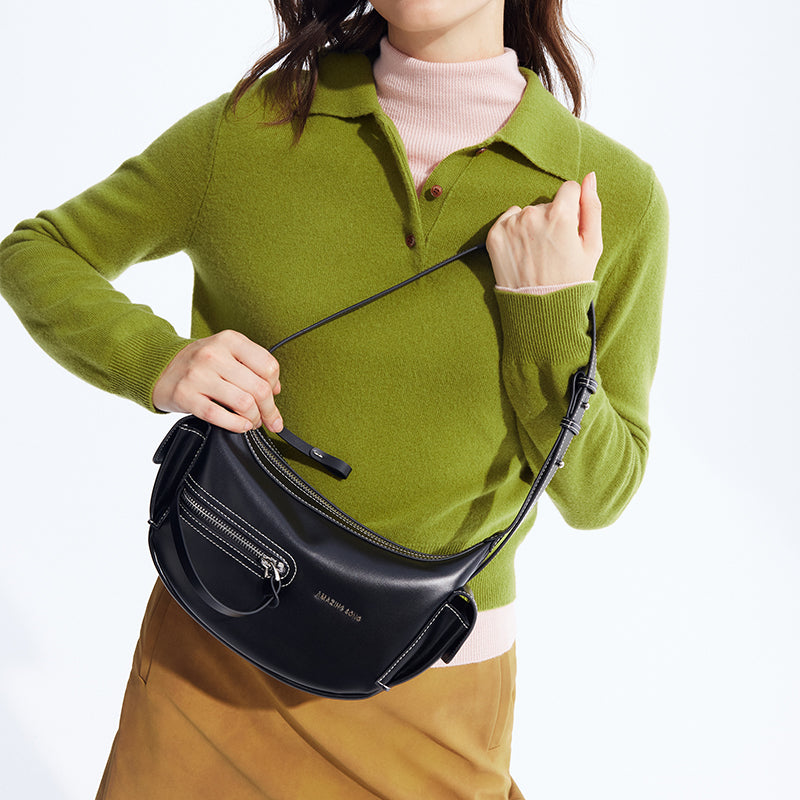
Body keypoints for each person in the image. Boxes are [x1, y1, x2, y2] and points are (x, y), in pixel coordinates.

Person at [0, 0, 668, 797]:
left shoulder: (609, 198)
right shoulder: (254, 132)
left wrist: (551, 313)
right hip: (217, 636)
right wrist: (160, 361)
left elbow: (602, 492)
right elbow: (39, 252)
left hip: (432, 693)